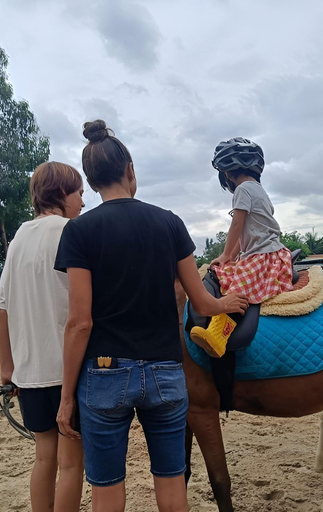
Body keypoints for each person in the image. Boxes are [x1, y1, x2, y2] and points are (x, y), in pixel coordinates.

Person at [54, 120, 248, 512]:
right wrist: (228, 304)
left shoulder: (79, 231)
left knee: (107, 490)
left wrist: (65, 397)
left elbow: (80, 322)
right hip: (164, 372)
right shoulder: (170, 223)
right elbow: (201, 302)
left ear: (91, 184)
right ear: (130, 170)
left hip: (104, 375)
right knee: (172, 485)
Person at [0, 161, 86, 512]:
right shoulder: (72, 232)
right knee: (71, 463)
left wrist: (8, 369)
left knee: (43, 459)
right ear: (61, 192)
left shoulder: (18, 238)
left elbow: (1, 311)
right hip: (67, 372)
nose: (82, 200)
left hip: (29, 373)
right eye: (78, 192)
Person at [189, 137, 294, 358]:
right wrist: (228, 257)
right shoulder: (258, 189)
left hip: (263, 255)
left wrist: (226, 255)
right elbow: (243, 232)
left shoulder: (243, 190)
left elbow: (236, 225)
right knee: (228, 271)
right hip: (269, 252)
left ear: (227, 172)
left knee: (235, 290)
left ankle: (218, 336)